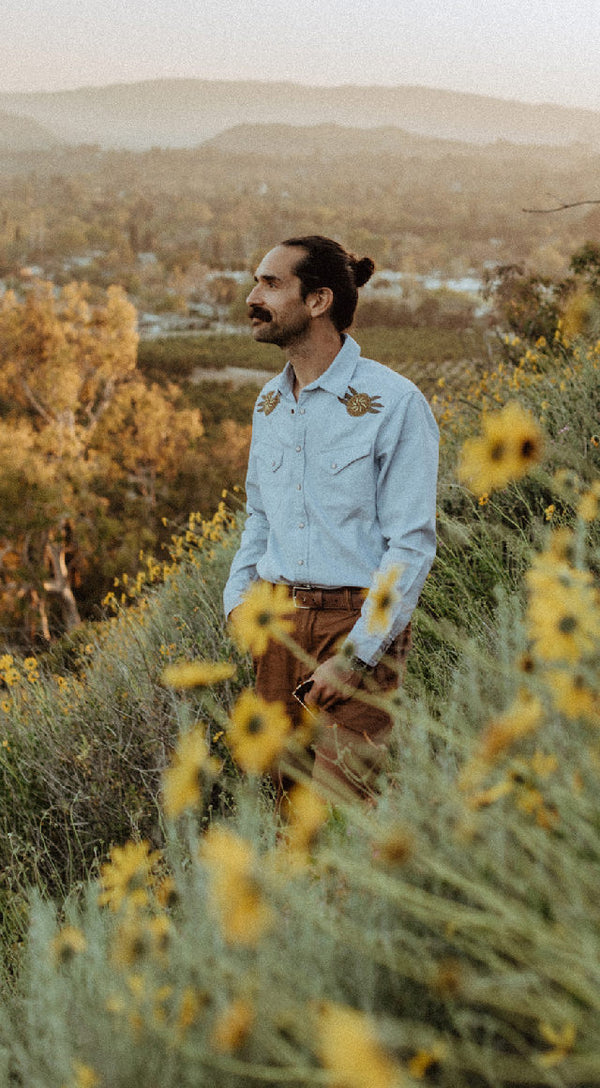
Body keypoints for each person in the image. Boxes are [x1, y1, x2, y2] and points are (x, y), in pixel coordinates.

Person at [223, 235, 439, 802]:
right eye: (256, 282)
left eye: (271, 284)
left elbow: (411, 544)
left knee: (343, 810)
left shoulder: (394, 403)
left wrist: (358, 655)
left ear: (318, 301)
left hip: (355, 625)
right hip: (277, 625)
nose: (253, 297)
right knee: (285, 810)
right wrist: (237, 605)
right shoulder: (269, 403)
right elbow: (259, 518)